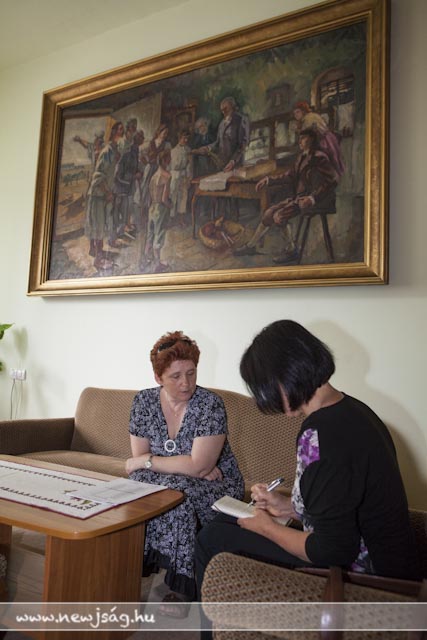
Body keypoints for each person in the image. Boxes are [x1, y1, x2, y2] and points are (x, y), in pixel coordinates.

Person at [195, 320, 420, 605]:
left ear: (284, 378)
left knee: (212, 539)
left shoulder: (319, 435)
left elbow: (331, 549)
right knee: (225, 520)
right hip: (389, 560)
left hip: (364, 575)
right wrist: (287, 507)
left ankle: (222, 623)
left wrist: (267, 528)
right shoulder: (356, 410)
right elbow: (343, 503)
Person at [126, 331, 244, 615]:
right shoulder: (143, 402)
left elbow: (197, 465)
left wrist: (152, 462)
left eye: (191, 373)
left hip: (219, 485)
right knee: (139, 486)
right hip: (172, 479)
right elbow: (139, 461)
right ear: (158, 377)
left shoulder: (210, 404)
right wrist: (186, 465)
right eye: (176, 376)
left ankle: (181, 587)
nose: (186, 383)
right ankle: (129, 570)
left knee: (180, 497)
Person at [234, 128, 337, 264]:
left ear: (312, 140)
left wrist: (312, 198)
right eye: (299, 138)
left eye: (303, 138)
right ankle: (251, 246)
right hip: (300, 197)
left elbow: (332, 180)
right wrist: (269, 180)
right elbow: (289, 176)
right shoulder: (301, 157)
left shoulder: (319, 157)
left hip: (317, 200)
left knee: (279, 216)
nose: (299, 141)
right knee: (268, 214)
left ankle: (292, 250)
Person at [194, 96, 249, 172]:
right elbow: (218, 142)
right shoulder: (222, 123)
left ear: (232, 107)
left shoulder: (241, 120)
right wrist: (208, 148)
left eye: (225, 109)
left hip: (236, 164)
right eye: (222, 110)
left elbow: (242, 144)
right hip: (223, 164)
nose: (223, 112)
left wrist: (233, 161)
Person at [293, 101, 345, 178]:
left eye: (298, 112)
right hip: (326, 138)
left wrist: (298, 130)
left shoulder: (308, 118)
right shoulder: (308, 117)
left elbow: (307, 134)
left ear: (303, 111)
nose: (296, 115)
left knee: (329, 161)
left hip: (325, 140)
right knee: (332, 161)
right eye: (294, 113)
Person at [169, 129, 193, 226]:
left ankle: (181, 219)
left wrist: (189, 178)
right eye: (184, 138)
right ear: (179, 138)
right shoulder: (173, 151)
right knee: (173, 196)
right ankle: (171, 219)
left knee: (183, 197)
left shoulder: (188, 150)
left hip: (184, 175)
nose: (186, 140)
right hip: (174, 175)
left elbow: (190, 165)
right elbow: (171, 166)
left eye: (187, 138)